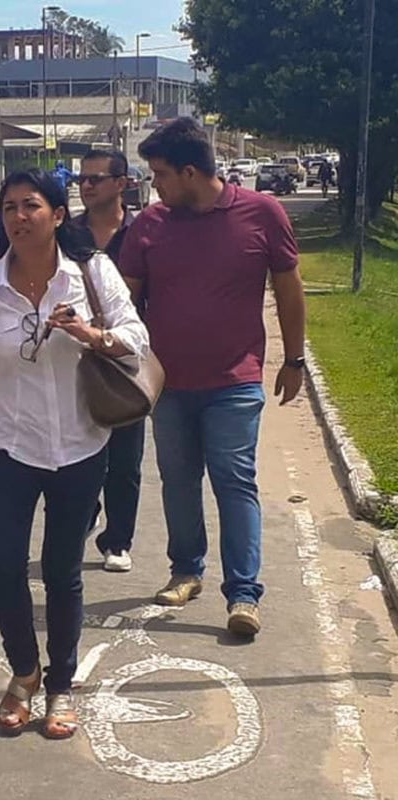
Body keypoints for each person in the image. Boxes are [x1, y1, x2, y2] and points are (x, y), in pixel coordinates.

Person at [0, 168, 149, 739]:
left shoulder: (91, 273)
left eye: (32, 205)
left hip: (80, 446)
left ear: (58, 215)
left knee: (62, 572)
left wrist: (90, 334)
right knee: (3, 566)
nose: (19, 217)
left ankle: (61, 683)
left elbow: (136, 338)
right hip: (9, 448)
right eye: (10, 207)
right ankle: (24, 672)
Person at [119, 117, 306, 637]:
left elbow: (289, 289)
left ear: (189, 172)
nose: (154, 184)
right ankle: (186, 570)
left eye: (160, 174)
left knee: (234, 480)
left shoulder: (262, 213)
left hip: (234, 381)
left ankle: (243, 594)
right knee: (178, 481)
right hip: (167, 384)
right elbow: (124, 300)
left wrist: (294, 360)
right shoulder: (151, 224)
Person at [73, 148, 145, 573]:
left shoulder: (143, 231)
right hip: (74, 356)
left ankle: (118, 540)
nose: (86, 186)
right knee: (78, 450)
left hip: (124, 358)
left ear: (121, 184)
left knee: (125, 455)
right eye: (81, 179)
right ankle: (85, 513)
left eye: (95, 179)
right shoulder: (68, 233)